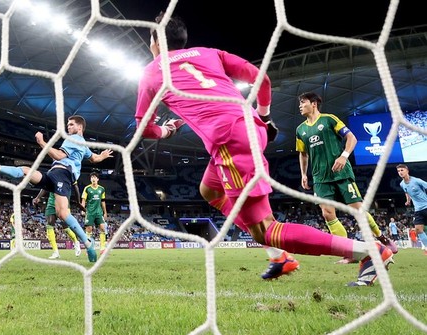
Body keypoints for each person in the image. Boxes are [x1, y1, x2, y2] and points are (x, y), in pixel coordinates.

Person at [134, 12, 393, 286]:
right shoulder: (208, 53)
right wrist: (265, 116)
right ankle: (280, 257)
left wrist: (168, 130)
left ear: (156, 42)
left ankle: (370, 252)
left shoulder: (151, 72)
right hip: (251, 127)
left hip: (229, 142)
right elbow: (262, 79)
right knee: (209, 190)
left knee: (265, 231)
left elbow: (143, 127)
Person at [0, 115, 113, 262]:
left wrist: (42, 142)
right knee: (26, 172)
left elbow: (59, 155)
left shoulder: (75, 140)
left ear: (80, 127)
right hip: (55, 175)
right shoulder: (82, 145)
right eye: (68, 124)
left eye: (71, 124)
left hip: (63, 174)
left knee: (60, 211)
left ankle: (87, 242)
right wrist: (102, 156)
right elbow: (93, 158)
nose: (68, 127)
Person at [297, 91, 398, 265]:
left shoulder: (329, 119)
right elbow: (303, 154)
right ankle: (349, 252)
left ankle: (381, 238)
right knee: (327, 213)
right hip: (320, 177)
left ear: (314, 103)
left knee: (357, 210)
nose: (300, 106)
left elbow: (352, 137)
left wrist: (344, 155)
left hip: (341, 173)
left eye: (303, 102)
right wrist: (303, 174)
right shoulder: (300, 130)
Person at [33, 183, 83, 259]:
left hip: (63, 203)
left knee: (65, 226)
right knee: (49, 224)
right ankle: (56, 252)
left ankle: (76, 242)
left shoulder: (68, 175)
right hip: (51, 203)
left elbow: (75, 186)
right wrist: (38, 197)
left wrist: (78, 202)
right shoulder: (51, 174)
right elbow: (45, 186)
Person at [397, 163, 427, 254]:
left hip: (426, 206)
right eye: (398, 171)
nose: (400, 172)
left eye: (402, 170)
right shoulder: (402, 184)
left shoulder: (416, 181)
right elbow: (407, 192)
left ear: (407, 171)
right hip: (418, 210)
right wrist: (408, 200)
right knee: (418, 229)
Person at [81, 171, 109, 255]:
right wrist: (82, 209)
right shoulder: (87, 188)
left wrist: (105, 212)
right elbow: (83, 200)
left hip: (98, 212)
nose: (93, 178)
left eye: (94, 177)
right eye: (91, 177)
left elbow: (103, 201)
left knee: (102, 228)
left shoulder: (102, 189)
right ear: (90, 179)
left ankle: (103, 248)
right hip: (89, 212)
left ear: (97, 179)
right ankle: (89, 248)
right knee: (89, 229)